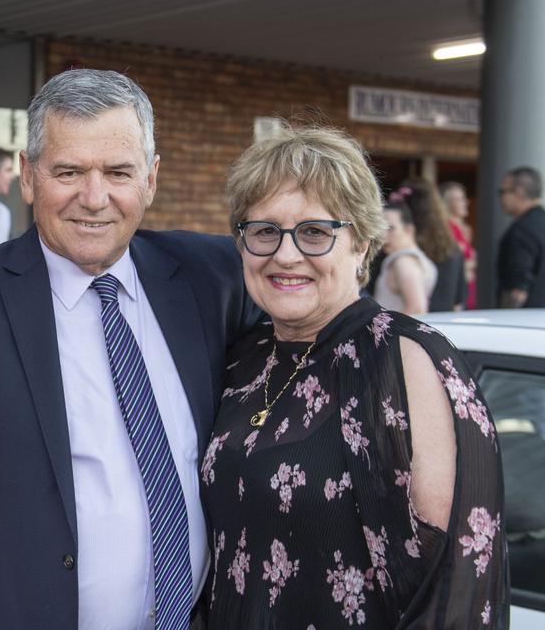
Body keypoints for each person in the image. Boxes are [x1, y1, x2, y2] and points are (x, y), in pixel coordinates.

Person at [0, 69, 259, 628]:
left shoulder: (213, 276)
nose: (94, 198)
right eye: (68, 172)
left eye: (118, 172)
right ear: (28, 177)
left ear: (150, 179)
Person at [202, 124, 507, 627]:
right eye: (263, 231)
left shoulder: (405, 358)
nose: (285, 254)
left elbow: (458, 580)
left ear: (362, 244)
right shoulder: (242, 358)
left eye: (316, 232)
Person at [394, 179, 464, 312]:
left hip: (407, 327)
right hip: (444, 326)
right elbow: (457, 302)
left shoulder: (400, 252)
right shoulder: (453, 248)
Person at [374, 201, 437, 314]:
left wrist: (384, 330)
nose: (383, 236)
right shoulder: (414, 259)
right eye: (381, 229)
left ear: (409, 229)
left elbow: (417, 309)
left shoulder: (403, 261)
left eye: (390, 228)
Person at [497, 166, 545, 308]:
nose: (501, 198)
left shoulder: (522, 230)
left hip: (525, 319)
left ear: (518, 193)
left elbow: (518, 288)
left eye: (502, 192)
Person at [440, 180, 476, 307]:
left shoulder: (465, 229)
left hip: (469, 288)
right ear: (447, 203)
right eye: (459, 199)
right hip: (458, 289)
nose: (465, 202)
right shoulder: (447, 229)